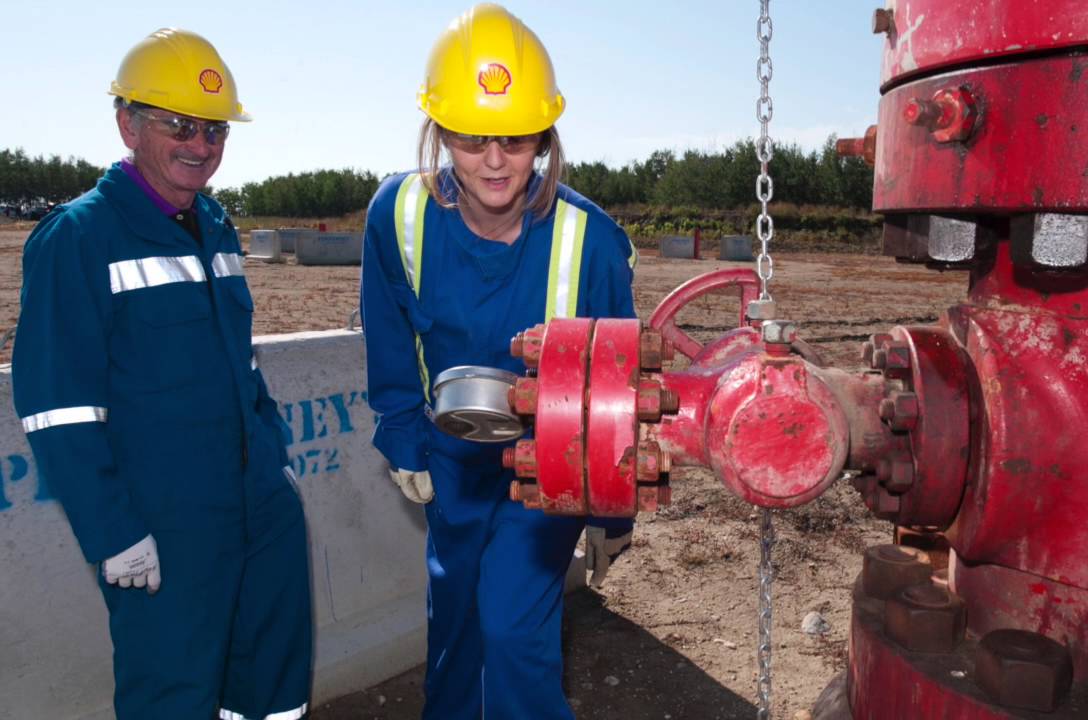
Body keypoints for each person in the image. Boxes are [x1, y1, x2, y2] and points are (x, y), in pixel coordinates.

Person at [11, 28, 312, 720]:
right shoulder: (79, 238)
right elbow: (56, 407)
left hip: (259, 510)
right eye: (179, 125)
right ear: (128, 123)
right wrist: (112, 531)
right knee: (172, 698)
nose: (201, 145)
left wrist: (275, 466)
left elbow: (243, 367)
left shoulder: (214, 225)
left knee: (270, 689)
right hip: (165, 530)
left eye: (214, 130)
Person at [360, 4, 637, 717]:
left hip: (548, 466)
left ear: (542, 138)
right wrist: (400, 434)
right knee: (453, 616)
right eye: (474, 137)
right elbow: (388, 330)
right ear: (440, 130)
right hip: (450, 458)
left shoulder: (590, 241)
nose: (493, 161)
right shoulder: (398, 215)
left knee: (512, 627)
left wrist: (613, 510)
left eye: (514, 140)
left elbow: (618, 386)